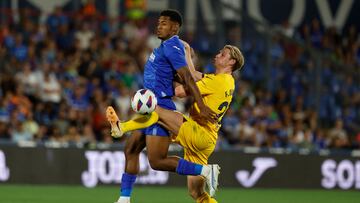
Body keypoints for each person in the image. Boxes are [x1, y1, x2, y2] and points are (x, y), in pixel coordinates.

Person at [107, 44, 244, 202]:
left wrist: (167, 77)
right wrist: (187, 54)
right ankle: (206, 172)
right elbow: (192, 75)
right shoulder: (228, 81)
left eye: (223, 54)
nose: (218, 54)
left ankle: (121, 127)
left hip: (197, 132)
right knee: (197, 194)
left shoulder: (216, 82)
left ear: (231, 62)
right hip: (207, 140)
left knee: (154, 110)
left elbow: (180, 92)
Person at [107, 9, 217, 203]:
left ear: (175, 27)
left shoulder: (172, 46)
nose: (159, 26)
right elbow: (174, 75)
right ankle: (124, 199)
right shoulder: (164, 46)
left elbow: (187, 77)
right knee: (131, 149)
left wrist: (201, 104)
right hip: (150, 106)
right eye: (158, 22)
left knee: (157, 161)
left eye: (164, 23)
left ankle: (206, 170)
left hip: (159, 108)